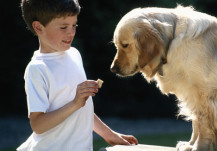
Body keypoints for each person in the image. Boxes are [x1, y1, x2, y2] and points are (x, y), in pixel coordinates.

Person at [17, 0, 138, 150]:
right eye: (63, 27)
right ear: (38, 27)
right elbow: (38, 125)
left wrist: (109, 135)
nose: (71, 32)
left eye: (74, 25)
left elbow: (82, 108)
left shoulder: (74, 55)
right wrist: (75, 103)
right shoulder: (37, 69)